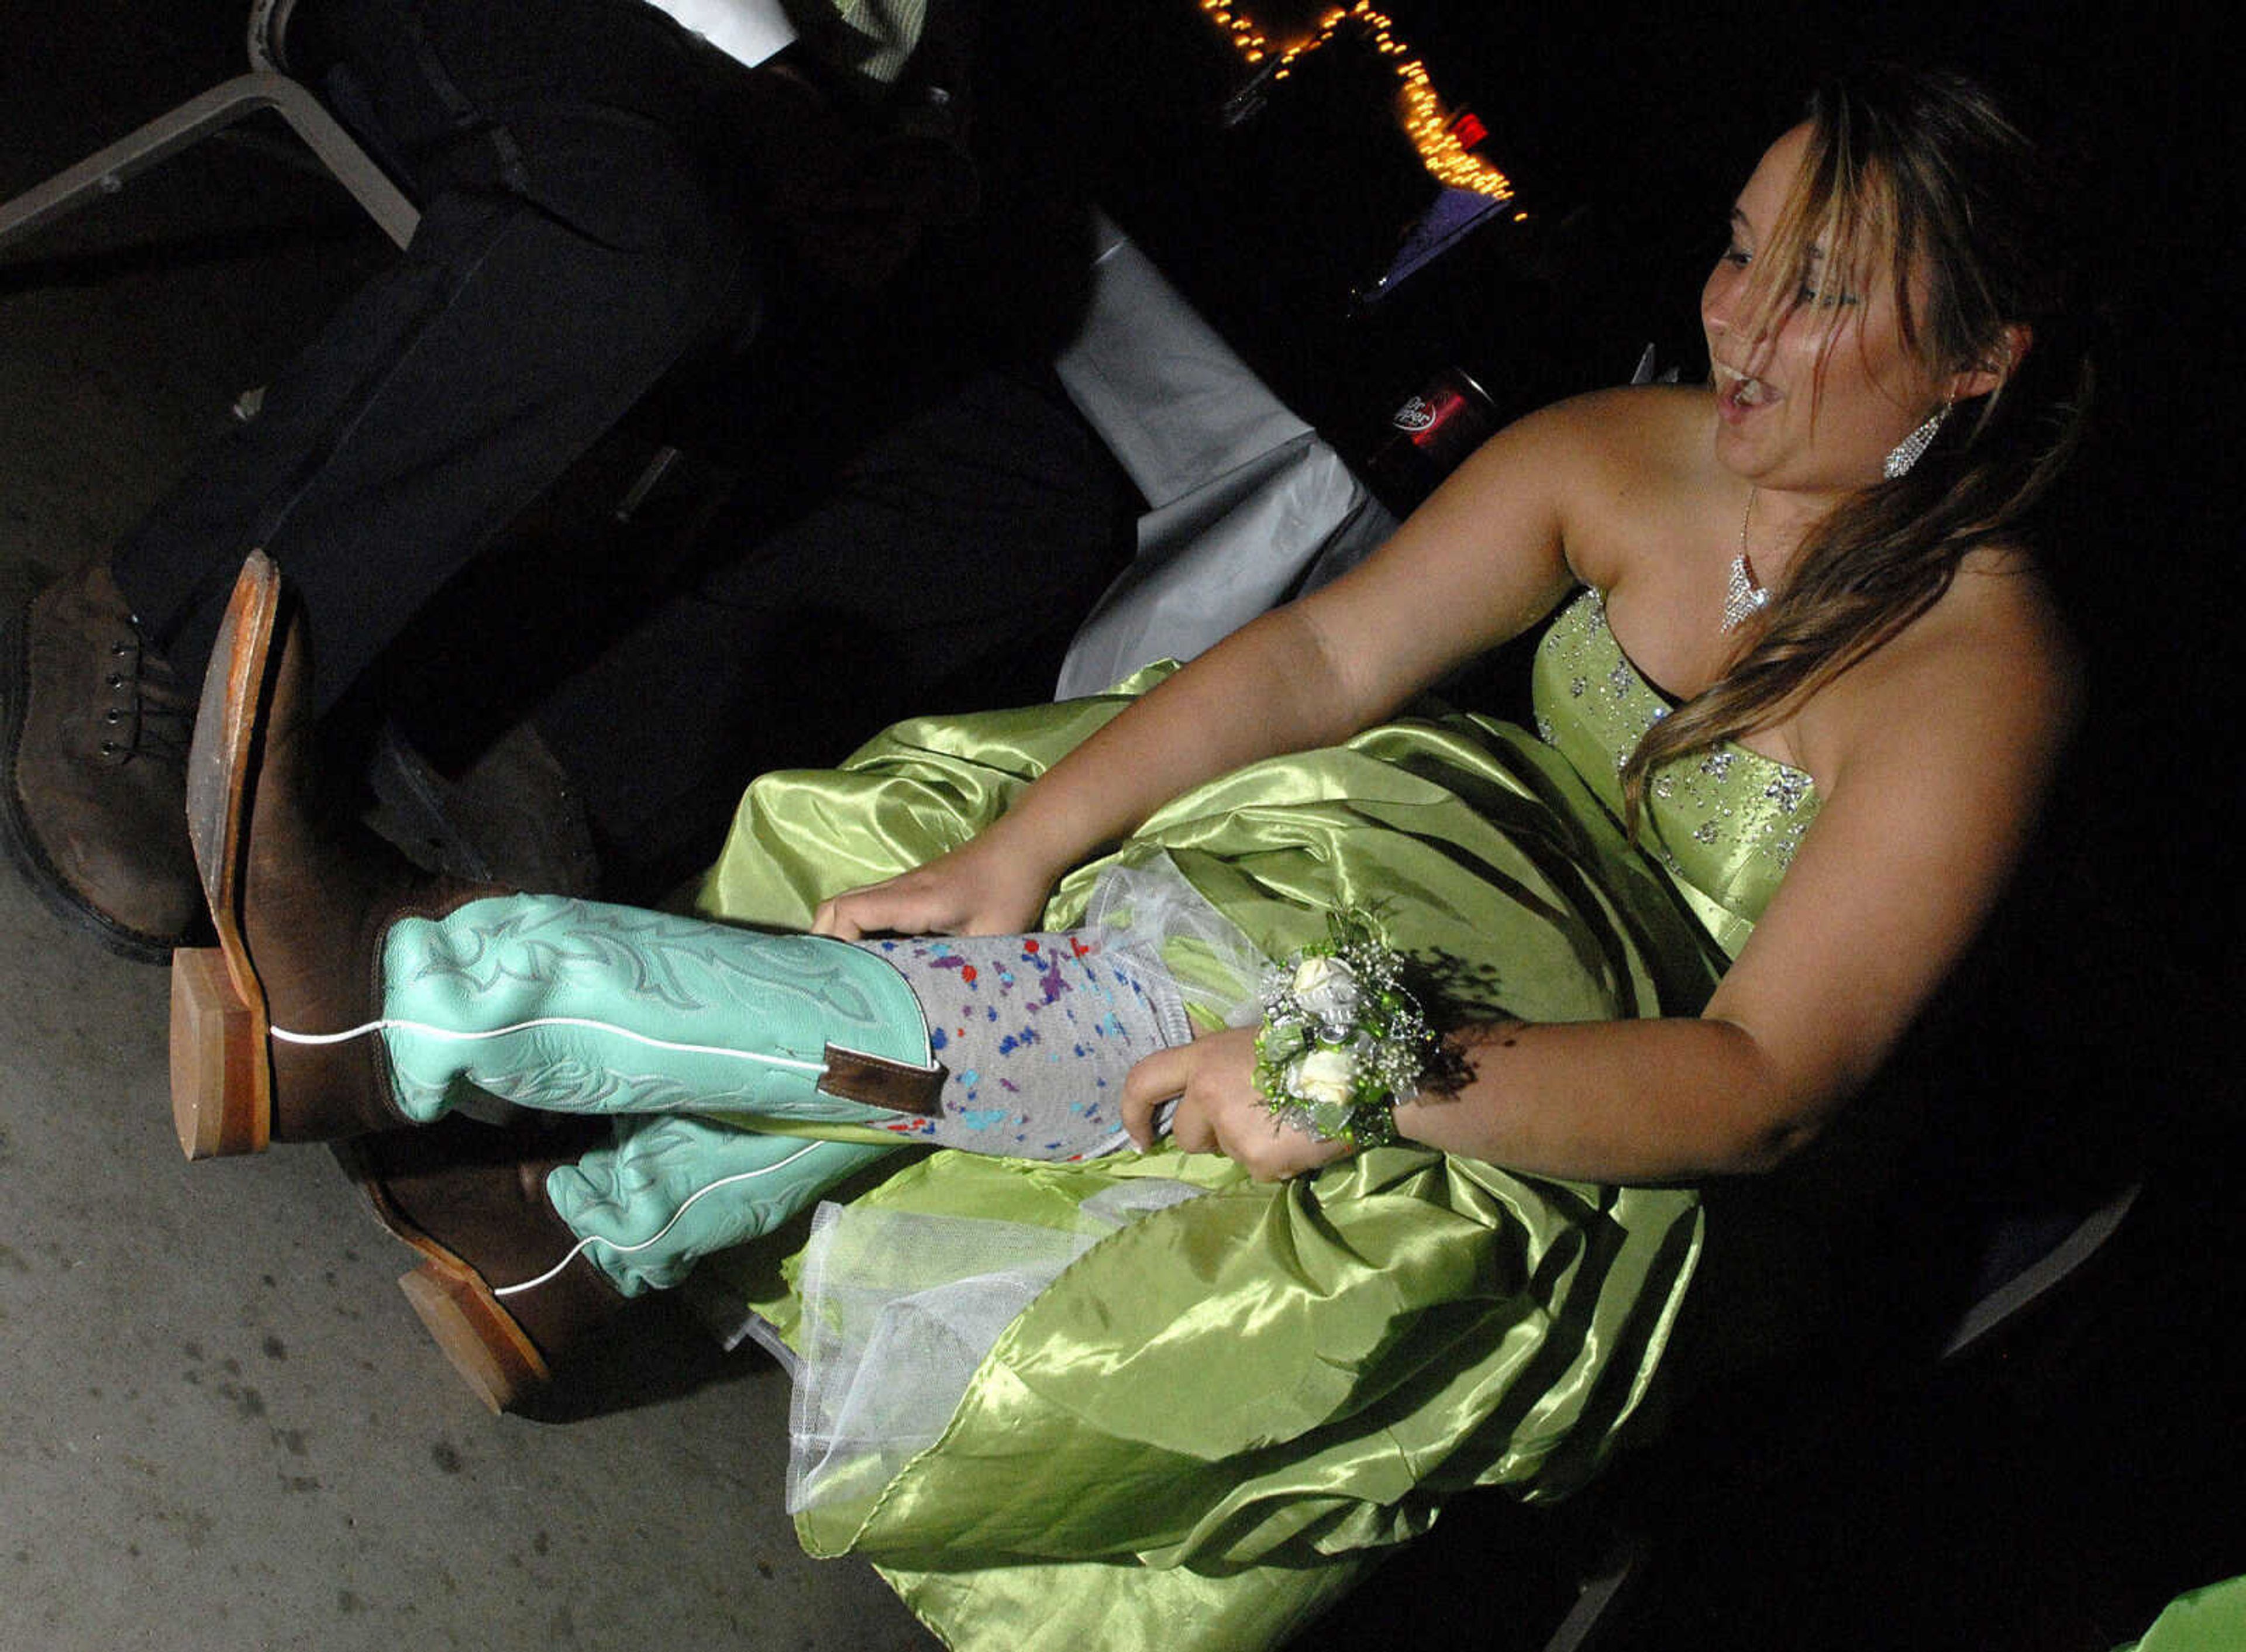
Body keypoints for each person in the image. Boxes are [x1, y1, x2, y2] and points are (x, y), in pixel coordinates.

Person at [161, 62, 2091, 1650]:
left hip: (1623, 1098)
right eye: (1744, 253)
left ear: (1979, 358)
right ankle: (599, 1225)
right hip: (1421, 867)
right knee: (1072, 882)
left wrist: (1358, 1068)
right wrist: (1031, 840)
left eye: (1822, 291)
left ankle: (406, 1007)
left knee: (1194, 992)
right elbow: (1327, 652)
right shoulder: (1637, 443)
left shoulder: (1982, 670)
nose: (1743, 325)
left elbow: (1764, 1087)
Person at [1, 0, 1119, 953]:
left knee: (1033, 486)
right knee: (636, 244)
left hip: (795, 111)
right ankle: (161, 624)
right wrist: (777, 80)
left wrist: (918, 159)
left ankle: (537, 765)